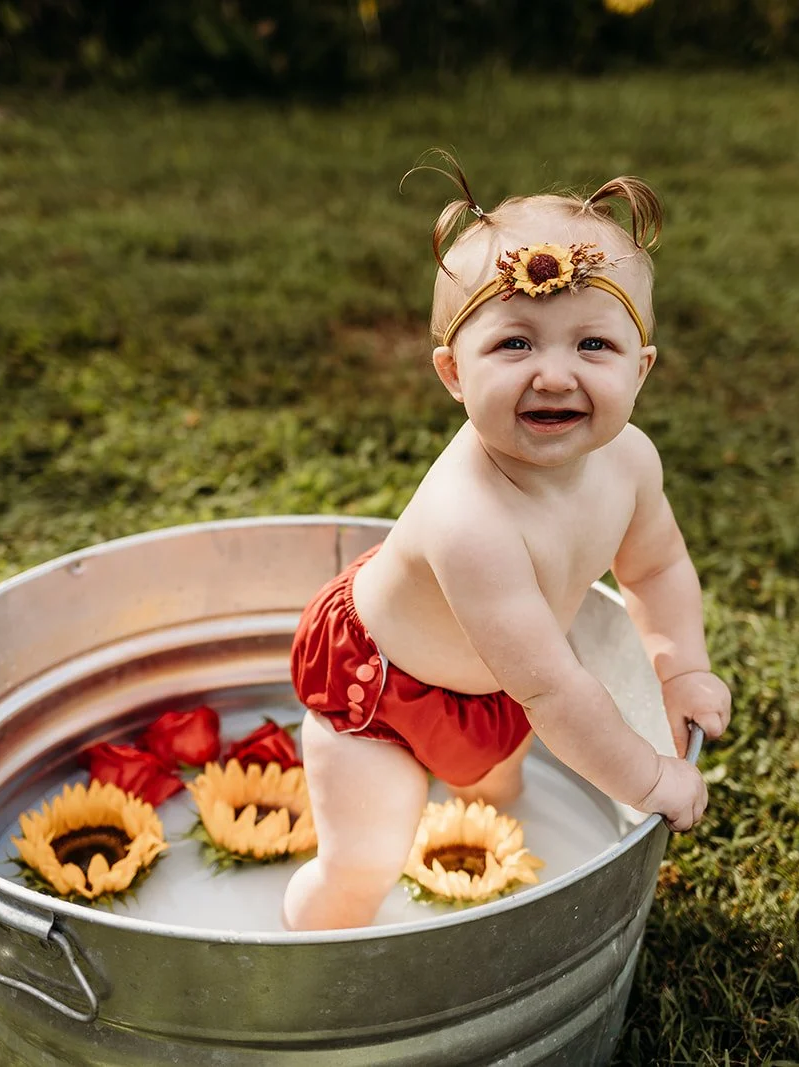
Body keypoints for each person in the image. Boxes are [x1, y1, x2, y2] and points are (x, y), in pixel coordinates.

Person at [283, 158, 731, 931]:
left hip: (500, 685)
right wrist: (648, 776)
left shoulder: (630, 463)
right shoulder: (472, 521)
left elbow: (655, 568)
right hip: (382, 688)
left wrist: (681, 667)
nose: (555, 376)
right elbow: (556, 690)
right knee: (363, 862)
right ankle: (307, 963)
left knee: (500, 800)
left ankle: (495, 914)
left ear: (641, 369)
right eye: (515, 345)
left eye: (594, 345)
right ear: (454, 372)